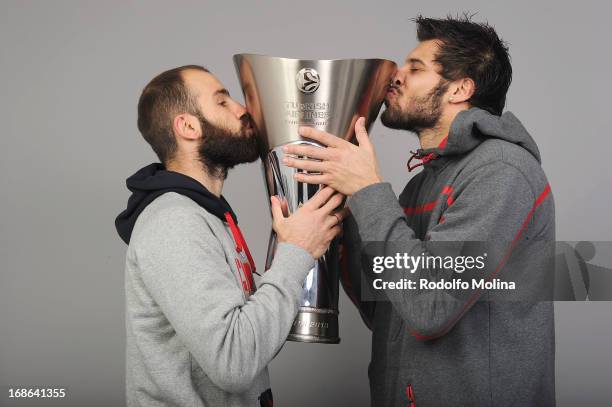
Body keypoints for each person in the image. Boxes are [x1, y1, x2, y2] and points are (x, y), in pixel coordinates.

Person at [282, 16, 555, 406]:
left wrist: (367, 189)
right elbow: (391, 313)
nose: (396, 75)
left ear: (460, 88)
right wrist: (343, 213)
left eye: (416, 68)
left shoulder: (501, 171)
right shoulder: (422, 184)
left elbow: (430, 305)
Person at [115, 65, 345, 407]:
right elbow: (234, 363)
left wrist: (290, 250)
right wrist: (296, 251)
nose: (243, 110)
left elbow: (254, 342)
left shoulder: (209, 215)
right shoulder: (174, 221)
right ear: (188, 126)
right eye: (223, 102)